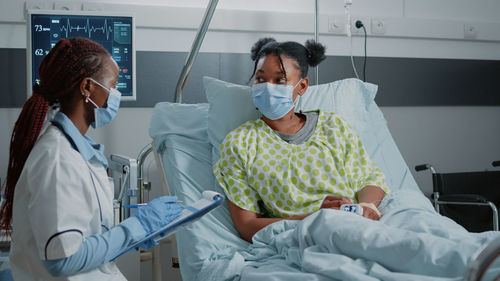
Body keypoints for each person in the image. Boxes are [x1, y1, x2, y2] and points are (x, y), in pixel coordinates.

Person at [0, 37, 182, 280]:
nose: (115, 94)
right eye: (113, 85)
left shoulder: (73, 151)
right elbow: (62, 260)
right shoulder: (58, 158)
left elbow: (84, 239)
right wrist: (137, 227)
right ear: (87, 87)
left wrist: (136, 233)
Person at [214, 38, 390, 242]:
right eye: (260, 79)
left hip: (357, 225)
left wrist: (364, 207)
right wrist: (316, 219)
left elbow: (369, 180)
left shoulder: (334, 127)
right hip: (301, 237)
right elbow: (247, 226)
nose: (268, 88)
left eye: (280, 80)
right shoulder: (240, 144)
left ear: (302, 86)